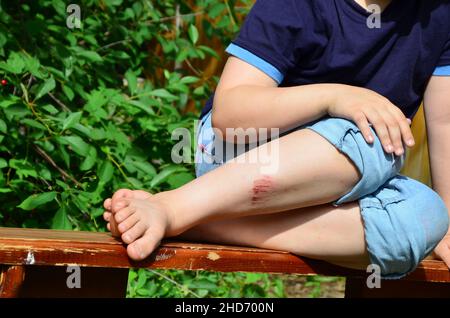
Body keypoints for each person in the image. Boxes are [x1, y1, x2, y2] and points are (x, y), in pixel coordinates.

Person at [103, 0, 450, 279]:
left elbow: (445, 123)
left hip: (339, 183)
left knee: (428, 217)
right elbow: (229, 114)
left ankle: (210, 224)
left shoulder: (439, 12)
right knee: (377, 138)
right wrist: (335, 97)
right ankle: (174, 206)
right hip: (240, 156)